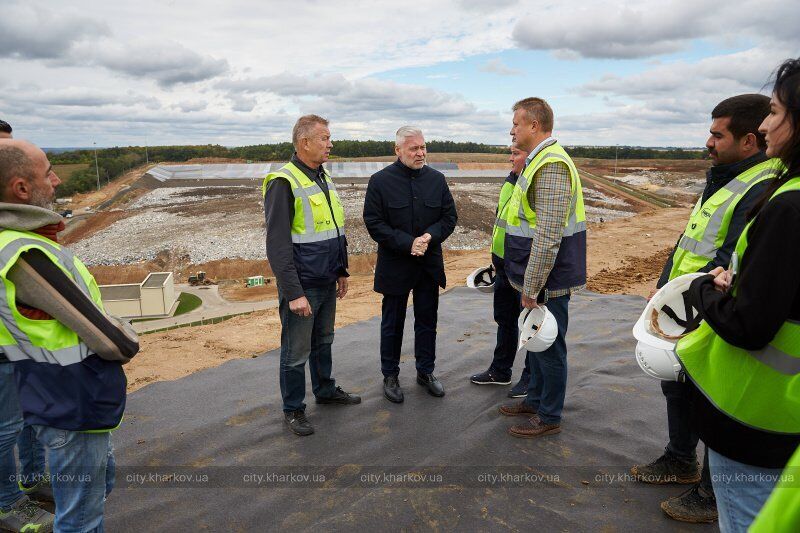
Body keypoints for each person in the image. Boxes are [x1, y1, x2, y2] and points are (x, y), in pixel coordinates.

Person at [631, 94, 779, 524]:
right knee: (677, 385)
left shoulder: (761, 188)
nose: (708, 142)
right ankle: (680, 458)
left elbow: (730, 259)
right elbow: (689, 241)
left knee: (711, 400)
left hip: (711, 310)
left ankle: (712, 494)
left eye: (717, 134)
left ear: (749, 140)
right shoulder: (725, 177)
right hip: (685, 305)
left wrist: (692, 299)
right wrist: (662, 290)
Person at [675, 57, 800, 532]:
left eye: (775, 111)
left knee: (745, 519)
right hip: (780, 412)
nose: (768, 125)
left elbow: (750, 324)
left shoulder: (786, 205)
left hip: (758, 416)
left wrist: (707, 289)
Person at [0, 139, 139, 532]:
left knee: (94, 490)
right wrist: (127, 335)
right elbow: (112, 341)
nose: (58, 180)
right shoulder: (25, 254)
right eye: (48, 172)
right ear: (22, 189)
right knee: (80, 518)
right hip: (71, 401)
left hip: (54, 395)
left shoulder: (16, 242)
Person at [263, 114, 361, 437]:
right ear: (304, 142)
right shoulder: (284, 181)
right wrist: (293, 293)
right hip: (302, 285)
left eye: (329, 138)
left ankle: (325, 389)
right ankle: (293, 409)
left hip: (327, 279)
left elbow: (335, 229)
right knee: (295, 352)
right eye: (325, 138)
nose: (330, 144)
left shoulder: (323, 177)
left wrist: (342, 269)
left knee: (324, 341)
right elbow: (277, 246)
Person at [497, 97, 587, 439]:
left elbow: (548, 235)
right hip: (535, 276)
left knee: (549, 346)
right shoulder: (537, 161)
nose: (512, 129)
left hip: (549, 277)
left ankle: (549, 415)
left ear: (534, 126)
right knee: (534, 342)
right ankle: (534, 400)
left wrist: (532, 286)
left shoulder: (550, 165)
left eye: (517, 123)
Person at [363, 126, 457, 403]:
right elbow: (374, 222)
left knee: (427, 321)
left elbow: (448, 217)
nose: (420, 153)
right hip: (396, 264)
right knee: (393, 322)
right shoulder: (380, 181)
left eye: (423, 147)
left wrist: (430, 236)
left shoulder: (437, 180)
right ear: (398, 150)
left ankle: (425, 371)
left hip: (428, 265)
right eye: (414, 148)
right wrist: (407, 243)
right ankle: (390, 375)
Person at [469, 146, 531, 398]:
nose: (510, 158)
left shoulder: (535, 182)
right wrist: (495, 259)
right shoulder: (511, 181)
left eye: (516, 154)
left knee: (531, 327)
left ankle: (532, 378)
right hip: (504, 266)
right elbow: (502, 224)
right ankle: (501, 370)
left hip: (525, 269)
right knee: (505, 319)